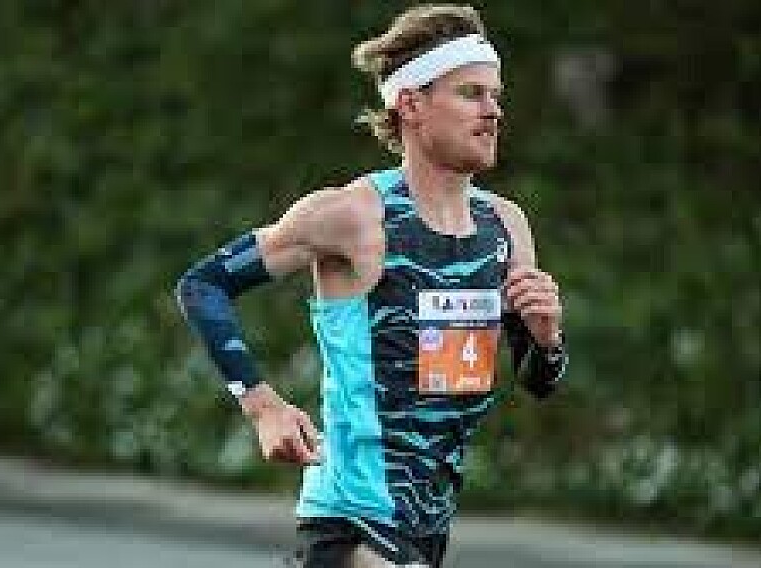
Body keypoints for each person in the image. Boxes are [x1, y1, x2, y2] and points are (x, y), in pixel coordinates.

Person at [175, 5, 567, 567]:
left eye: (496, 96)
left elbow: (539, 381)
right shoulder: (353, 216)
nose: (493, 111)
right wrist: (263, 408)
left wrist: (546, 337)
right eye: (471, 94)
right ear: (410, 105)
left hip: (428, 525)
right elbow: (203, 285)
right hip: (352, 518)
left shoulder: (506, 227)